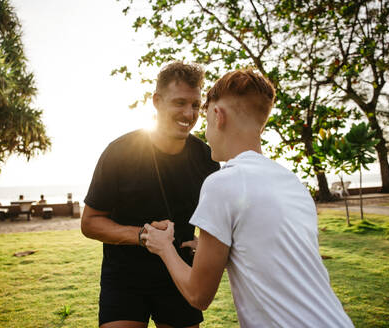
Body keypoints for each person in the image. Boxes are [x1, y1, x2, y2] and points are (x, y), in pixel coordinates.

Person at [142, 70, 354, 327]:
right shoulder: (292, 183)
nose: (205, 133)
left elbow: (198, 295)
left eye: (206, 120)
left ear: (218, 116)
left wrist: (163, 246)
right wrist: (215, 248)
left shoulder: (222, 182)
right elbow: (274, 252)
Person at [81, 62, 220, 328]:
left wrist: (206, 243)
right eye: (179, 103)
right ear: (156, 101)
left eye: (195, 105)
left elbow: (218, 221)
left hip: (180, 277)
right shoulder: (119, 152)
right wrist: (142, 236)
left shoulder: (207, 158)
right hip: (124, 279)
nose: (189, 113)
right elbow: (90, 223)